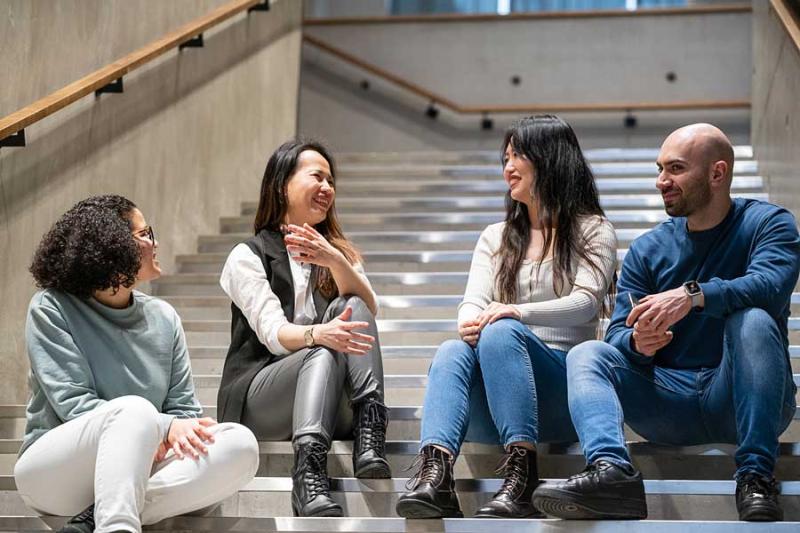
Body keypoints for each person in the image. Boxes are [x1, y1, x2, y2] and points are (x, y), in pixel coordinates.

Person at [533, 124, 800, 522]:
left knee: (754, 319)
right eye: (660, 169)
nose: (662, 181)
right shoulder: (647, 249)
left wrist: (694, 295)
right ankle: (611, 473)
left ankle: (756, 476)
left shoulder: (768, 224)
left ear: (717, 173)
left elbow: (770, 287)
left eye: (675, 169)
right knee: (590, 352)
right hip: (665, 403)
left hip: (741, 398)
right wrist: (639, 343)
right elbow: (619, 334)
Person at [395, 115, 618, 519]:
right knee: (452, 349)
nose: (508, 167)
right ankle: (436, 475)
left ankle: (524, 475)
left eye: (519, 156)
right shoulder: (495, 236)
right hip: (500, 401)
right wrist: (469, 321)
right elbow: (472, 302)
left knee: (502, 330)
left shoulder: (593, 230)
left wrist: (515, 311)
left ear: (550, 160)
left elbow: (586, 303)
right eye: (506, 157)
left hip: (561, 394)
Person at [14, 195, 259, 533]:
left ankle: (96, 518)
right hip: (55, 471)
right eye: (145, 234)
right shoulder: (51, 307)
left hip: (139, 469)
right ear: (111, 245)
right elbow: (74, 405)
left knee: (240, 444)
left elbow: (184, 413)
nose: (154, 242)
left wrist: (169, 430)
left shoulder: (163, 318)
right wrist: (159, 426)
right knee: (133, 411)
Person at [217, 139, 389, 518]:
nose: (327, 188)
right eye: (317, 176)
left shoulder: (336, 253)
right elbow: (274, 335)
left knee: (353, 303)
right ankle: (308, 474)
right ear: (282, 184)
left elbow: (368, 311)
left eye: (331, 181)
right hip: (262, 401)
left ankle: (370, 434)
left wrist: (334, 258)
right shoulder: (248, 256)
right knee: (322, 349)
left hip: (330, 399)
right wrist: (318, 336)